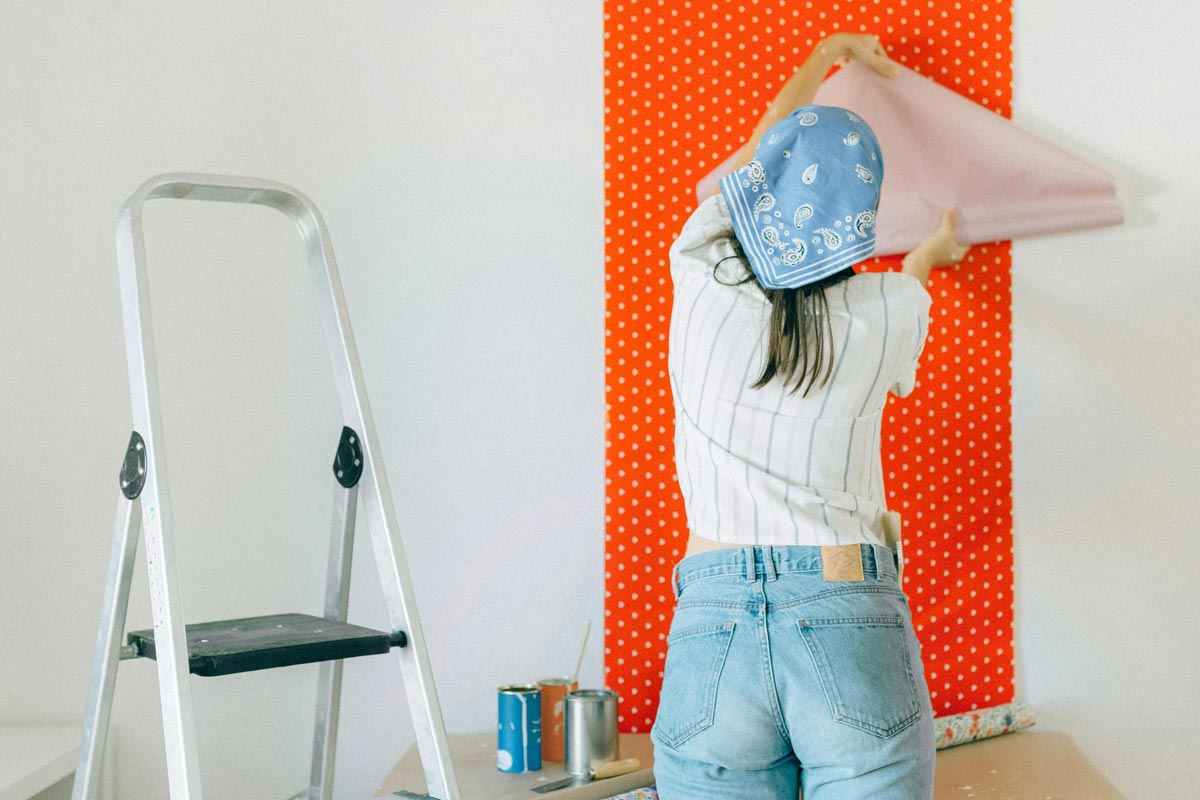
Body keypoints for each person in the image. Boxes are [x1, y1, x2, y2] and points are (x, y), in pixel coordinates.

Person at [651, 33, 969, 799]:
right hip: (844, 606)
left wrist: (824, 55)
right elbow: (912, 280)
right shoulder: (885, 311)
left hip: (713, 615)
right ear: (861, 219)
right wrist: (932, 252)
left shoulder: (700, 266)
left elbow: (758, 156)